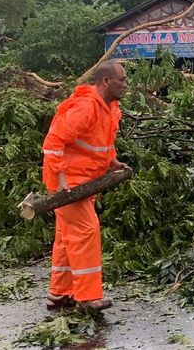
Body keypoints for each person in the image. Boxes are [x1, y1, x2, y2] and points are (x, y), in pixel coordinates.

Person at [41, 61, 129, 311]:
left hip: (84, 182)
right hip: (69, 183)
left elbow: (100, 142)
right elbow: (53, 142)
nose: (125, 85)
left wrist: (112, 162)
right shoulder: (86, 106)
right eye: (121, 80)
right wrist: (60, 182)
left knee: (66, 238)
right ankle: (88, 297)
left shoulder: (109, 108)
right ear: (105, 81)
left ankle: (60, 293)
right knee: (86, 232)